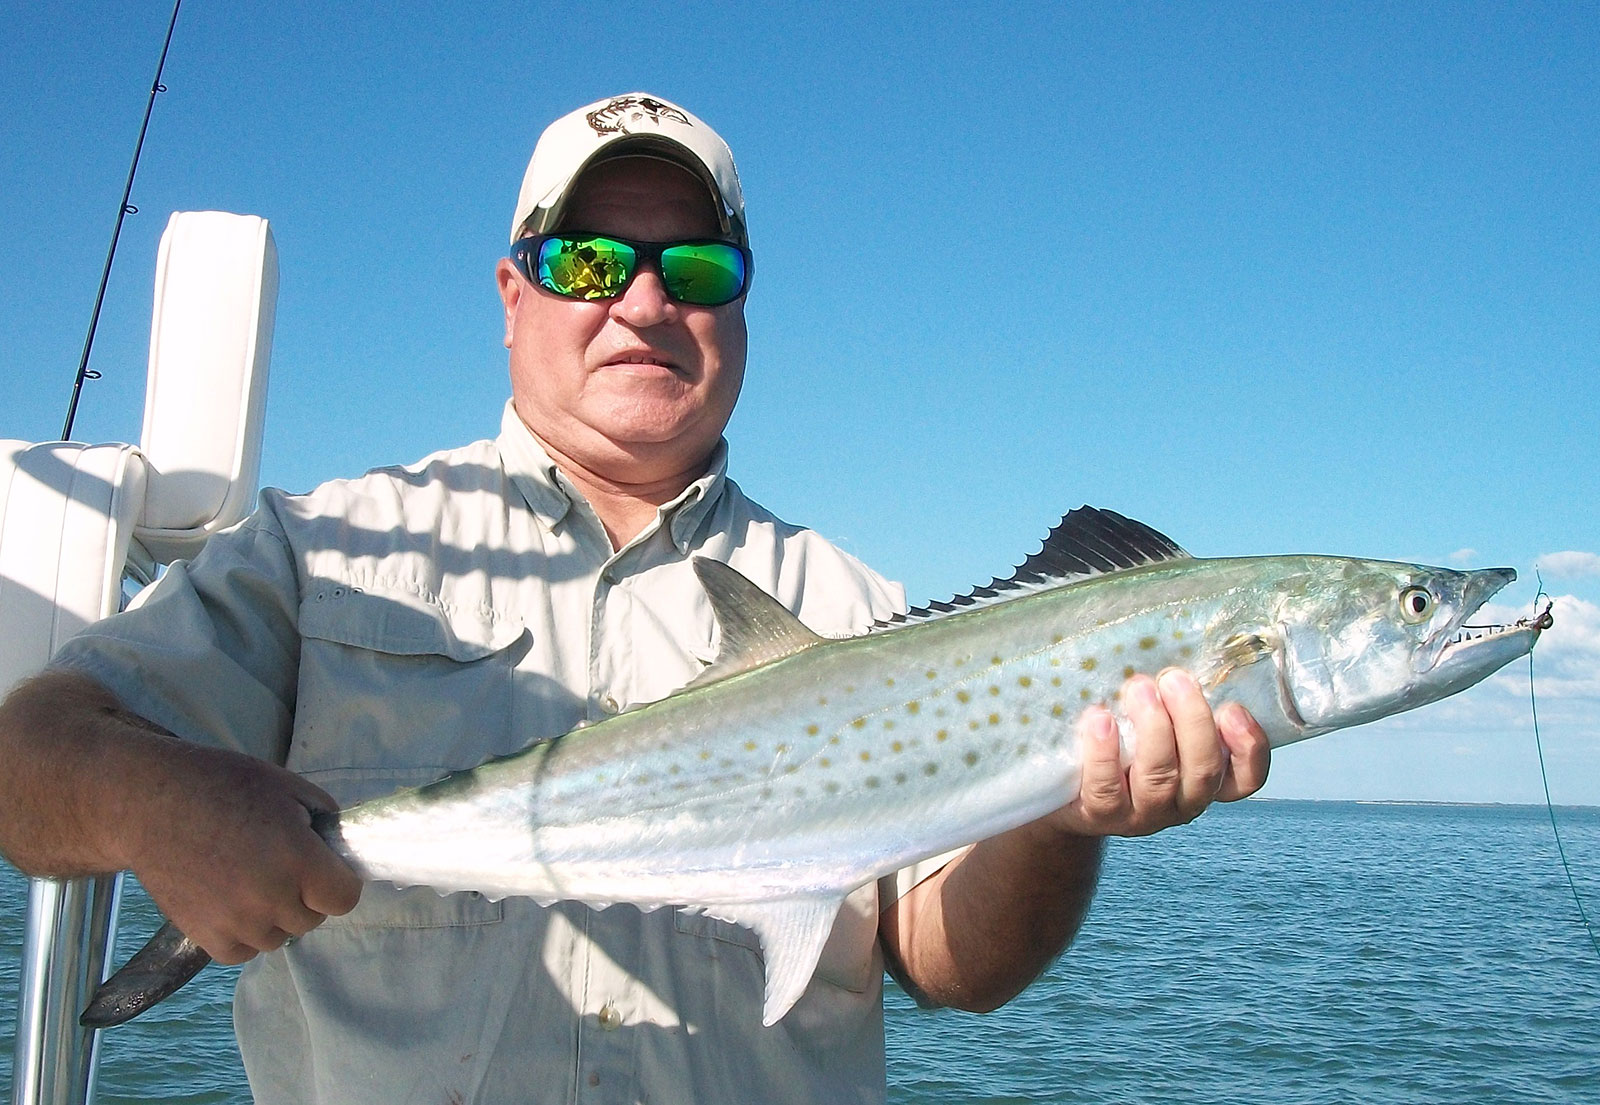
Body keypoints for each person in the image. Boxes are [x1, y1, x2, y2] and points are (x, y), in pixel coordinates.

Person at [0, 93, 1269, 1104]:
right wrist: (159, 801)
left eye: (698, 266)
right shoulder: (320, 545)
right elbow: (25, 762)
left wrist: (1061, 806)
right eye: (590, 257)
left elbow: (955, 963)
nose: (645, 301)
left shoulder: (859, 607)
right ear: (515, 296)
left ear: (741, 308)